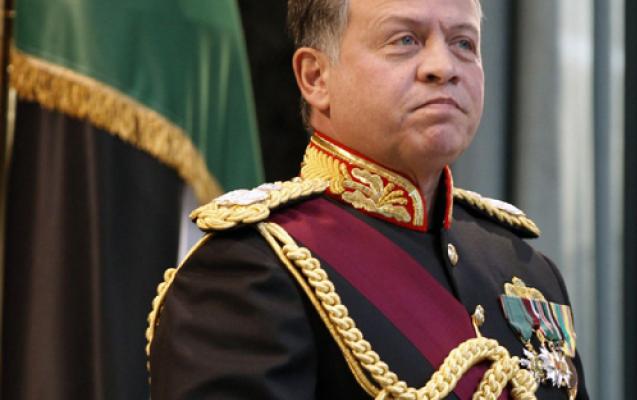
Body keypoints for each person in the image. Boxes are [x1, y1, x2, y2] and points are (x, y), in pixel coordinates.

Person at [146, 0, 590, 399]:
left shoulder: (523, 268)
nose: (443, 67)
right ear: (316, 78)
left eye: (463, 43)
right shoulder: (248, 270)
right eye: (405, 40)